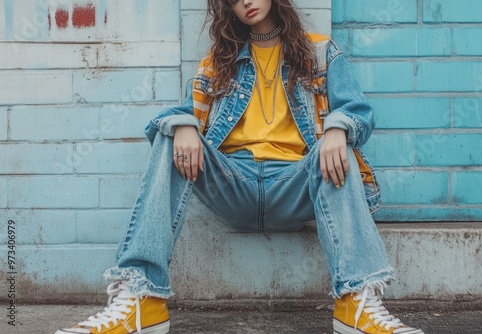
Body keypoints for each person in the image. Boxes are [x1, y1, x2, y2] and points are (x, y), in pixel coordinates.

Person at [55, 0, 424, 333]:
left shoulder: (319, 51)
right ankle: (141, 299)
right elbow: (185, 112)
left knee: (336, 146)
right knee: (170, 132)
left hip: (294, 184)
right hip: (234, 184)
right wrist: (183, 124)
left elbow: (356, 111)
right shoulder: (219, 62)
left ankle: (356, 304)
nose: (245, 2)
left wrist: (336, 130)